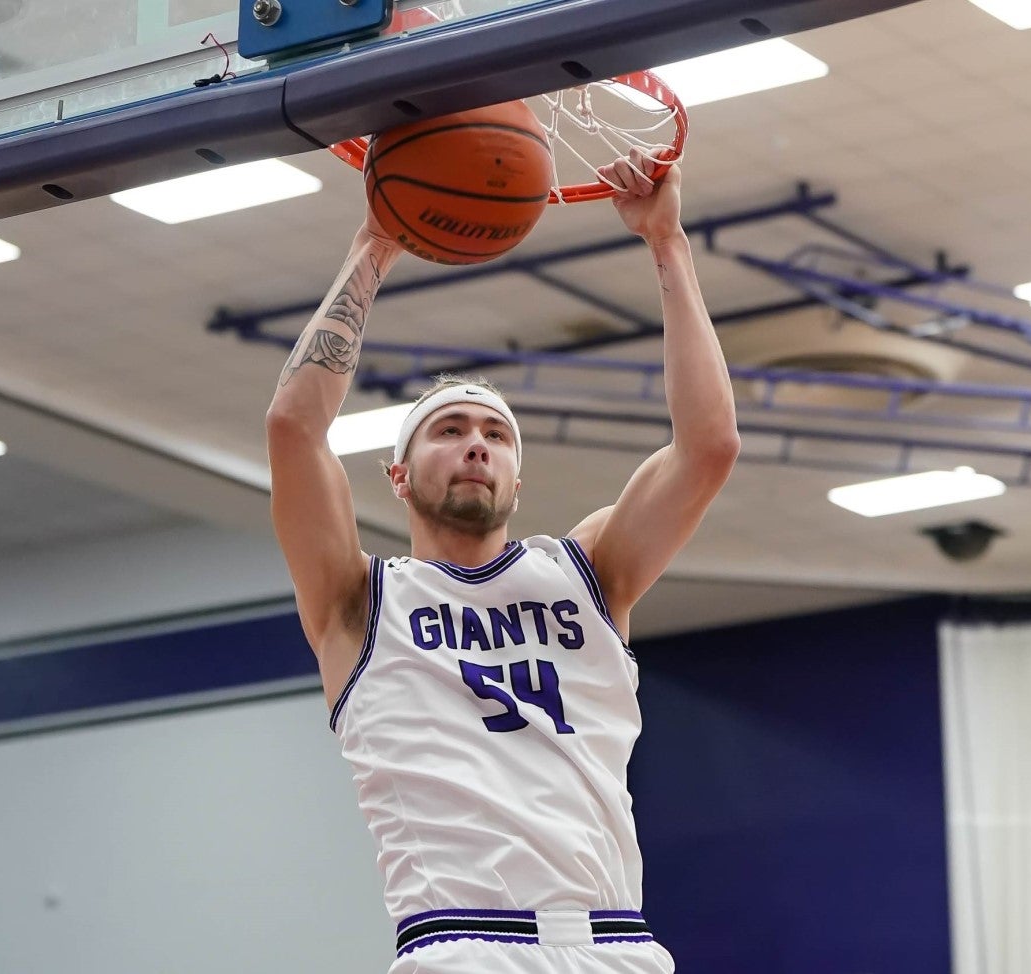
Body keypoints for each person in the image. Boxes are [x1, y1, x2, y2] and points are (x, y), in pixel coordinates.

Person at [266, 147, 739, 974]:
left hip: (618, 944)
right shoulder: (357, 602)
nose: (477, 446)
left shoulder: (591, 570)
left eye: (496, 436)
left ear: (520, 479)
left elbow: (708, 448)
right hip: (463, 945)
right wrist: (374, 244)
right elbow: (293, 430)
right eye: (449, 431)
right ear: (400, 475)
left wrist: (668, 244)